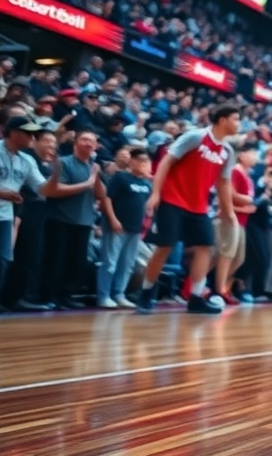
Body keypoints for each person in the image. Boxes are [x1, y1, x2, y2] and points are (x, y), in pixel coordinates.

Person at [135, 103, 243, 315]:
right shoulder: (195, 137)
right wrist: (156, 193)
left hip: (199, 207)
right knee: (164, 247)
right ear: (222, 120)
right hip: (172, 200)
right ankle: (146, 292)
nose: (239, 124)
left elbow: (223, 183)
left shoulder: (228, 152)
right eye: (236, 119)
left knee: (205, 247)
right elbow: (166, 162)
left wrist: (228, 211)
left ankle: (195, 297)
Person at [0, 117, 53, 312]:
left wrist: (57, 176)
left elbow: (42, 188)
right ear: (14, 133)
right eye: (28, 133)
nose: (32, 138)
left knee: (2, 257)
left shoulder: (27, 160)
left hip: (3, 215)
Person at [41, 130, 105, 310]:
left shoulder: (93, 167)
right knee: (55, 261)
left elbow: (101, 194)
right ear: (75, 143)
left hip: (83, 221)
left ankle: (66, 296)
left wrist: (96, 177)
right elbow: (55, 190)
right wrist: (88, 182)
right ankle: (49, 296)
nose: (89, 143)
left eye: (92, 141)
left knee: (76, 263)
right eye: (85, 139)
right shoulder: (63, 162)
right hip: (60, 219)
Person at [98, 147, 152, 309]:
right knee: (110, 263)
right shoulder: (121, 178)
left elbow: (146, 207)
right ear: (131, 161)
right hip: (117, 227)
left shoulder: (146, 183)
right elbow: (107, 199)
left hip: (135, 230)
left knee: (127, 264)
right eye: (139, 161)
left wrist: (144, 226)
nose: (143, 164)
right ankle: (103, 296)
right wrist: (113, 219)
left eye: (146, 161)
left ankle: (119, 294)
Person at [213, 143, 258, 305]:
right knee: (226, 255)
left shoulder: (247, 175)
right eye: (252, 153)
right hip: (230, 219)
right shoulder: (235, 171)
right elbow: (229, 194)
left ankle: (220, 286)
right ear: (242, 155)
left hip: (241, 221)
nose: (256, 156)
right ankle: (218, 290)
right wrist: (247, 202)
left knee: (238, 258)